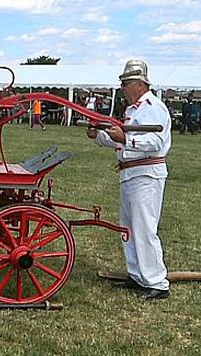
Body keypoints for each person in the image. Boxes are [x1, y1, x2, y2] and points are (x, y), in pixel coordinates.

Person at [86, 60, 171, 300]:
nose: (123, 87)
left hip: (146, 173)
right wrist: (99, 135)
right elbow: (120, 140)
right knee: (129, 227)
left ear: (139, 84)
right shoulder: (133, 110)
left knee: (144, 227)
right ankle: (137, 275)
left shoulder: (153, 107)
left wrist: (126, 139)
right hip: (131, 172)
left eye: (125, 83)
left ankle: (156, 282)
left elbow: (154, 143)